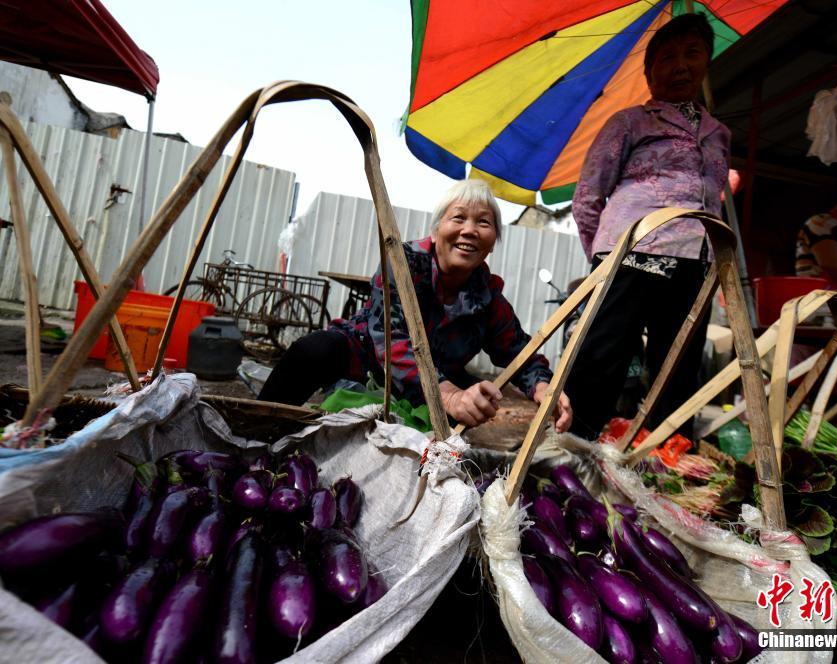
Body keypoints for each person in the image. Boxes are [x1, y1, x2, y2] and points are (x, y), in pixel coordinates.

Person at [258, 179, 573, 432]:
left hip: (433, 384)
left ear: (491, 244)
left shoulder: (487, 298)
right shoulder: (403, 263)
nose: (469, 230)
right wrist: (448, 395)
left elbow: (520, 352)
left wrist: (544, 388)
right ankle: (254, 433)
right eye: (458, 217)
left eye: (484, 222)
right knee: (314, 350)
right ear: (436, 232)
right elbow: (393, 341)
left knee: (465, 417)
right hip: (368, 359)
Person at [564, 12, 729, 440]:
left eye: (692, 54)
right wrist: (602, 258)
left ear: (707, 62)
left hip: (695, 259)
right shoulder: (630, 122)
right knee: (603, 355)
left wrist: (717, 260)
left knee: (678, 362)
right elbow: (587, 197)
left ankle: (666, 456)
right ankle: (573, 444)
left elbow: (714, 198)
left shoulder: (718, 133)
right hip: (630, 253)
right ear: (649, 72)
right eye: (667, 58)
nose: (680, 66)